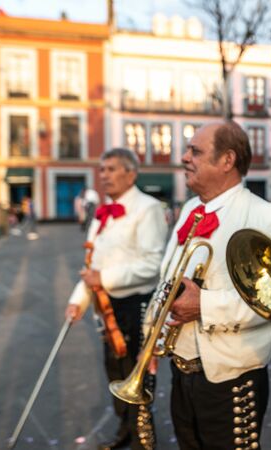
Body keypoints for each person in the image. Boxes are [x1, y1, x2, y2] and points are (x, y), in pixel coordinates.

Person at [159, 121, 271, 450]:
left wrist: (203, 305)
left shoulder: (270, 219)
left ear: (227, 160)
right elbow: (168, 280)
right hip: (181, 372)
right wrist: (156, 333)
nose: (184, 157)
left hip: (230, 377)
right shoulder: (190, 209)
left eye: (195, 151)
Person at [64, 148, 167, 450]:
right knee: (114, 372)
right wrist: (77, 300)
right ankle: (125, 431)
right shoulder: (102, 212)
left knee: (137, 376)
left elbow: (152, 263)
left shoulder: (148, 208)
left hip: (136, 305)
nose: (104, 175)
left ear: (131, 173)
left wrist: (105, 280)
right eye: (102, 169)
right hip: (106, 307)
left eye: (111, 169)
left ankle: (143, 441)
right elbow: (91, 263)